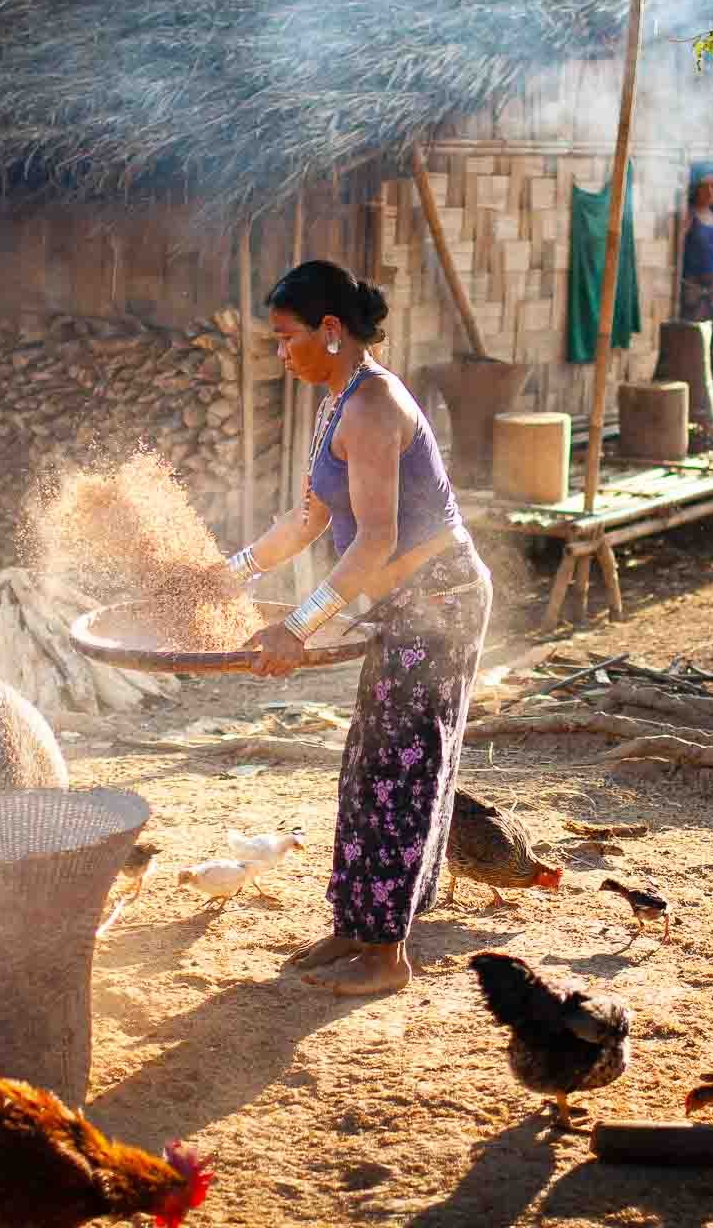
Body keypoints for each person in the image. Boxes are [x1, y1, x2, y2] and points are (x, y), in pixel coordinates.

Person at [220, 259, 493, 998]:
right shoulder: (336, 402)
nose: (281, 354)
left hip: (441, 601)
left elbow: (373, 540)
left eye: (286, 338)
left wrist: (298, 627)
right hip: (401, 603)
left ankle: (387, 953)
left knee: (404, 764)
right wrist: (229, 571)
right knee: (368, 760)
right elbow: (307, 519)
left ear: (330, 331)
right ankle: (356, 923)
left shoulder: (375, 407)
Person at [680, 172, 713, 404]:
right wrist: (687, 285)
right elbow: (678, 249)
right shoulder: (690, 216)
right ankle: (694, 397)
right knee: (695, 340)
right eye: (706, 186)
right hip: (695, 287)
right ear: (697, 189)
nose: (711, 191)